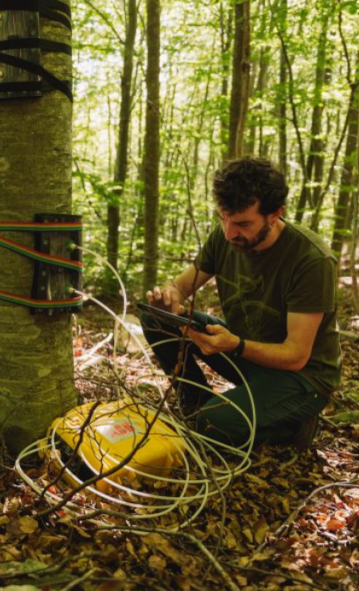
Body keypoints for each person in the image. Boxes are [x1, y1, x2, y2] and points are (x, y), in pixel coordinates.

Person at [142, 156, 341, 449]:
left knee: (212, 425)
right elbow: (180, 287)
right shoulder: (225, 237)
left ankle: (293, 429)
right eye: (224, 218)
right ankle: (196, 401)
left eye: (243, 224)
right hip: (243, 350)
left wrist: (235, 344)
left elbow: (297, 355)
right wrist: (168, 299)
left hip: (302, 378)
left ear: (275, 214)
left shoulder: (310, 260)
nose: (230, 233)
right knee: (153, 317)